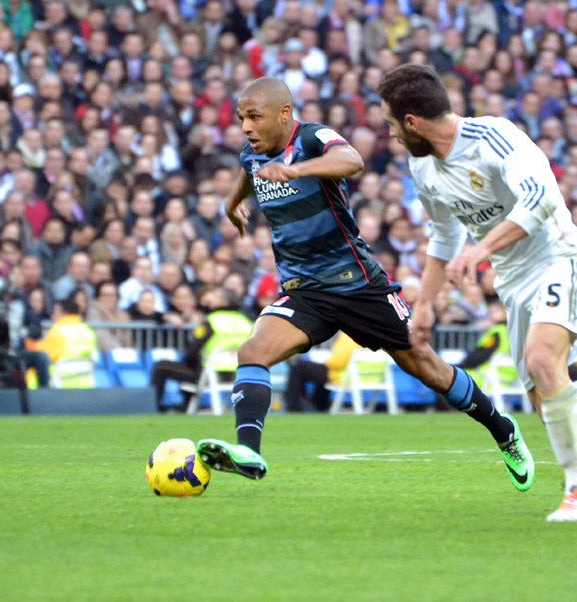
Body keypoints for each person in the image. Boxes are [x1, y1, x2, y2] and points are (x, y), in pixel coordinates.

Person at [196, 77, 534, 496]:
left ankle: (502, 429)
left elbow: (352, 160)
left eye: (254, 117)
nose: (245, 127)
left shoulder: (312, 138)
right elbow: (251, 171)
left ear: (284, 114)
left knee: (425, 364)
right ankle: (249, 454)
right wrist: (233, 201)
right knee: (253, 351)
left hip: (359, 284)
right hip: (305, 290)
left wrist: (296, 169)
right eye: (241, 117)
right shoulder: (253, 153)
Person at [377, 64, 577, 521]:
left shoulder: (495, 137)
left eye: (390, 124)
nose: (391, 135)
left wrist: (479, 249)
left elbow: (539, 199)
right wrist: (423, 307)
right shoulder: (422, 166)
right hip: (513, 280)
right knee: (543, 401)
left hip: (562, 256)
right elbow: (443, 238)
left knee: (543, 362)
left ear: (412, 122)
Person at [150, 287, 253, 411]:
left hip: (208, 374)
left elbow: (193, 350)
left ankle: (154, 409)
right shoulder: (245, 322)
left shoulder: (212, 321)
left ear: (225, 302)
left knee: (161, 367)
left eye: (215, 295)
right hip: (237, 374)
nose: (210, 298)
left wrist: (187, 361)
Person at [34, 299, 98, 389]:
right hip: (86, 385)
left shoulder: (57, 331)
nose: (52, 316)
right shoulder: (88, 331)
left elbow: (41, 356)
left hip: (60, 386)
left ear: (64, 313)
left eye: (55, 312)